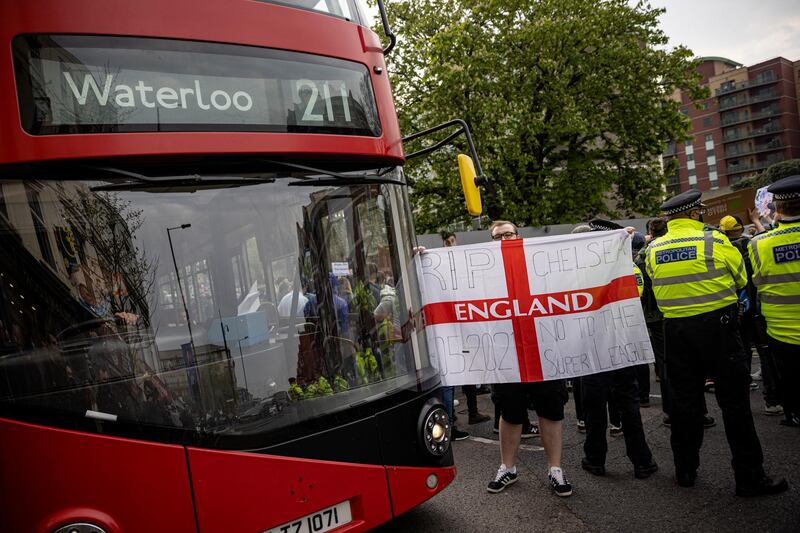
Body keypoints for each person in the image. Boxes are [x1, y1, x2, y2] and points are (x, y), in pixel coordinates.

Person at [645, 189, 787, 497]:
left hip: (677, 333)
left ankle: (685, 471)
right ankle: (749, 478)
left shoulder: (655, 249)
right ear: (696, 213)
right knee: (735, 406)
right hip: (719, 329)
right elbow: (740, 279)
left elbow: (657, 284)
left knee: (685, 405)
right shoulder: (715, 241)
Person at [486, 221, 571, 497]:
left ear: (518, 236)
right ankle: (507, 468)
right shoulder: (483, 272)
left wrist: (617, 240)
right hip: (506, 355)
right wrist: (425, 258)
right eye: (497, 236)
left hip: (543, 351)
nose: (503, 239)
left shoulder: (537, 262)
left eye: (508, 234)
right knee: (510, 413)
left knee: (551, 410)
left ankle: (555, 469)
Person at [578, 219, 658, 479]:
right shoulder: (631, 270)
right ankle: (642, 462)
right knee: (628, 405)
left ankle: (595, 459)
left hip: (594, 348)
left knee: (595, 408)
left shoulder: (582, 274)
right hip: (623, 346)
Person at [748, 175, 800, 428]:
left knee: (789, 379)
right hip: (781, 328)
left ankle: (793, 414)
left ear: (777, 209)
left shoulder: (759, 244)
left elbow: (758, 280)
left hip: (782, 329)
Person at [441, 231, 491, 426]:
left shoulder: (461, 263)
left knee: (468, 370)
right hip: (452, 328)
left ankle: (471, 412)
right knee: (453, 373)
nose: (452, 245)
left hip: (464, 326)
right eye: (448, 242)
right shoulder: (442, 264)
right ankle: (452, 419)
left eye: (453, 241)